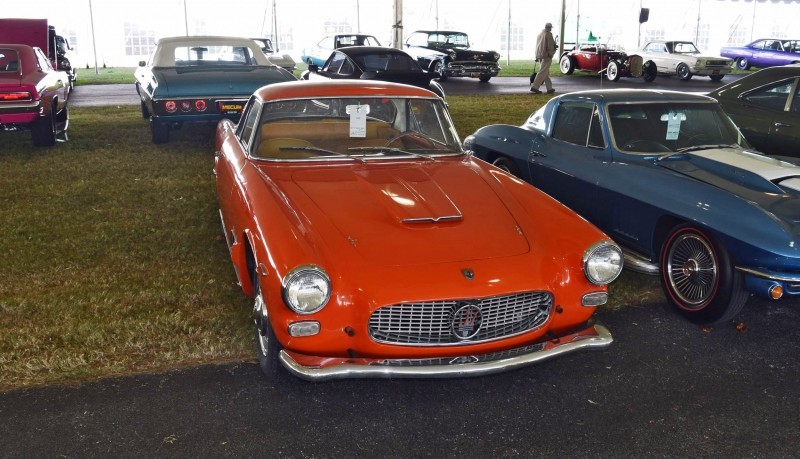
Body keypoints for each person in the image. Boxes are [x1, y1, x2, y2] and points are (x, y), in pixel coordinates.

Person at [530, 22, 557, 94]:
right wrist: (551, 54)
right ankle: (535, 87)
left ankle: (549, 88)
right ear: (549, 28)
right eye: (550, 27)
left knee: (545, 72)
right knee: (542, 72)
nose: (551, 29)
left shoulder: (539, 34)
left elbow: (538, 45)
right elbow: (550, 46)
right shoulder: (548, 34)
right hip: (546, 56)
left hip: (539, 55)